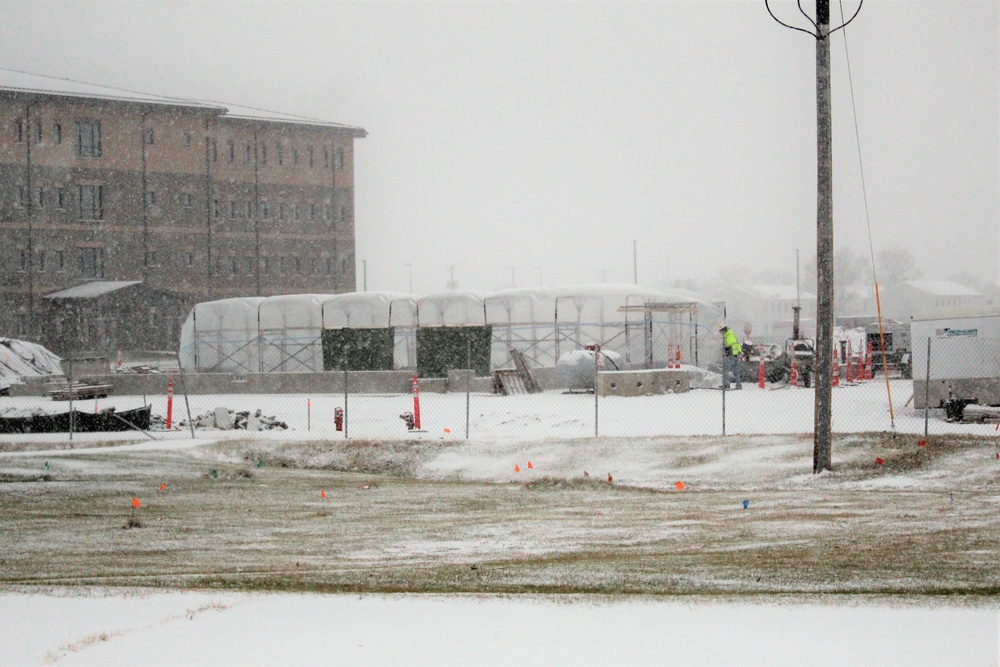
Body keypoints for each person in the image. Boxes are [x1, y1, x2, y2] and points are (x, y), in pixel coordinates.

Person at [719, 323, 743, 390]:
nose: (721, 333)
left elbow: (729, 346)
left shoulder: (729, 336)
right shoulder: (731, 334)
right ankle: (738, 385)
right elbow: (736, 345)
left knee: (725, 369)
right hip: (736, 354)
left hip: (731, 355)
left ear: (723, 330)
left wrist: (726, 353)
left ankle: (726, 385)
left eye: (721, 331)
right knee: (736, 371)